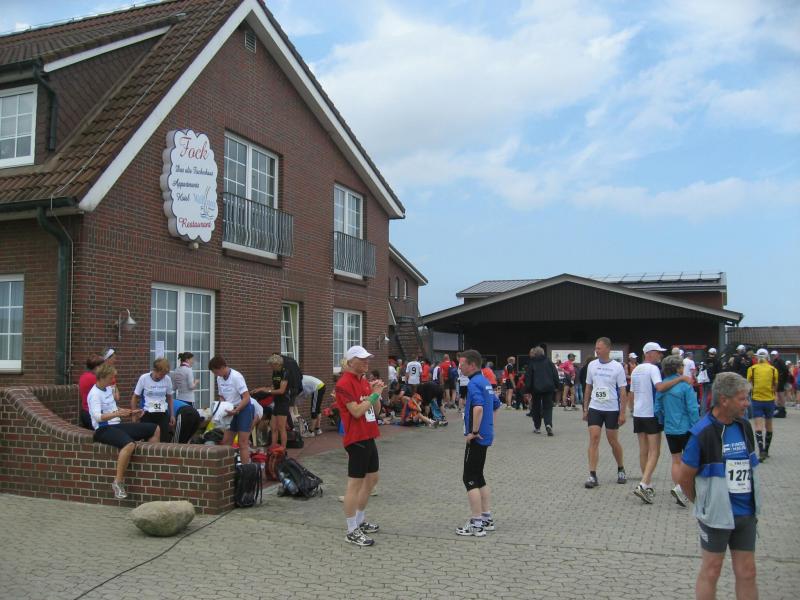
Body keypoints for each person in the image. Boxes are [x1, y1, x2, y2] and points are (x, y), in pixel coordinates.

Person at [678, 372, 761, 600]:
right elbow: (684, 477)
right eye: (742, 399)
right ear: (724, 400)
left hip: (746, 514)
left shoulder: (744, 426)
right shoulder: (702, 433)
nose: (747, 403)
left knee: (748, 571)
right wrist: (702, 502)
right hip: (716, 516)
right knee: (712, 570)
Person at [629, 342, 692, 503]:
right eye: (658, 352)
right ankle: (643, 484)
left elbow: (631, 393)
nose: (660, 355)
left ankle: (648, 485)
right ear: (649, 353)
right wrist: (681, 378)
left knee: (643, 451)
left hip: (638, 413)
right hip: (651, 414)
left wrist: (631, 409)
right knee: (654, 452)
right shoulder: (653, 369)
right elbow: (660, 387)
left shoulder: (636, 369)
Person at [335, 345, 385, 546]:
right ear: (350, 362)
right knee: (354, 485)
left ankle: (360, 520)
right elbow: (356, 411)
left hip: (369, 435)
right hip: (356, 439)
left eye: (367, 359)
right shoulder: (343, 383)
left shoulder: (363, 381)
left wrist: (376, 394)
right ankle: (351, 530)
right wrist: (373, 395)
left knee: (372, 479)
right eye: (362, 359)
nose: (366, 362)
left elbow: (376, 411)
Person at [88, 363, 158, 499]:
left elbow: (114, 408)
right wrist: (118, 414)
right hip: (103, 428)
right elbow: (98, 417)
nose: (112, 380)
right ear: (102, 377)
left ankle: (152, 470)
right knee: (129, 444)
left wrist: (130, 412)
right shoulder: (94, 394)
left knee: (154, 428)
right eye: (110, 378)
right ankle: (118, 482)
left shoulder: (107, 389)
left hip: (116, 425)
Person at [456, 349, 501, 537]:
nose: (459, 367)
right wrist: (489, 427)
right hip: (486, 435)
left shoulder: (474, 383)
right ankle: (486, 517)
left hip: (477, 438)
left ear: (472, 365)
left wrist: (474, 432)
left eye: (462, 364)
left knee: (469, 478)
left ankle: (476, 523)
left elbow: (478, 408)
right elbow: (496, 405)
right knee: (479, 476)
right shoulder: (485, 382)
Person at [583, 337, 629, 488]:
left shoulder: (617, 367)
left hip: (611, 409)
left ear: (608, 349)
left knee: (612, 441)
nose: (596, 350)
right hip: (595, 407)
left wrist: (622, 413)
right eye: (596, 348)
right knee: (594, 438)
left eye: (599, 348)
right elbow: (588, 387)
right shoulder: (592, 365)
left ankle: (621, 468)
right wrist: (585, 408)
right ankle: (592, 475)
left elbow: (623, 391)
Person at [654, 354, 699, 507]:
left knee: (676, 460)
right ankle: (685, 489)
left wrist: (663, 420)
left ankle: (678, 487)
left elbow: (657, 408)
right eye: (682, 366)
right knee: (689, 460)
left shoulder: (662, 386)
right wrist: (697, 426)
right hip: (686, 427)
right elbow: (692, 408)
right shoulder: (685, 386)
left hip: (670, 428)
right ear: (678, 368)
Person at [209, 356, 254, 464]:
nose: (216, 374)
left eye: (216, 372)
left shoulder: (236, 377)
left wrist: (237, 410)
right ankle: (226, 468)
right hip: (230, 410)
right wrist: (223, 408)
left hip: (243, 409)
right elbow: (221, 396)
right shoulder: (219, 378)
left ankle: (245, 469)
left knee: (242, 443)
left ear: (222, 367)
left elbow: (246, 397)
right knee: (226, 441)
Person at [131, 358, 175, 443]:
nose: (163, 377)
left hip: (162, 413)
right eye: (161, 374)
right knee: (149, 441)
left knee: (163, 440)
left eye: (164, 374)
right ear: (154, 370)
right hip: (147, 413)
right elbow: (135, 397)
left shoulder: (167, 379)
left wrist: (172, 415)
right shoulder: (144, 378)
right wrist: (134, 414)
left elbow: (169, 397)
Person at [252, 354, 290, 449]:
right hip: (276, 402)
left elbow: (281, 391)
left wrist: (267, 391)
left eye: (272, 365)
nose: (271, 367)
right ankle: (273, 445)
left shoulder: (285, 372)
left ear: (277, 364)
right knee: (273, 426)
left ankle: (283, 447)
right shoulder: (275, 372)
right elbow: (273, 387)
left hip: (283, 402)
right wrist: (261, 389)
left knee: (281, 427)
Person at [747, 348, 778, 461]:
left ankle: (760, 451)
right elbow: (775, 385)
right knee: (769, 425)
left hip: (756, 399)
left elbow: (749, 384)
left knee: (758, 426)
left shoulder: (752, 369)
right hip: (770, 400)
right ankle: (766, 450)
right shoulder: (773, 369)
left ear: (757, 357)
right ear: (767, 357)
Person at [523, 346, 559, 436]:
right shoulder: (549, 361)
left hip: (536, 389)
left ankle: (537, 427)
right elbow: (555, 374)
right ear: (543, 353)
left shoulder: (532, 363)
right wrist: (557, 385)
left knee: (536, 407)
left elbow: (528, 377)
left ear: (535, 354)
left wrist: (527, 389)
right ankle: (548, 424)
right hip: (548, 387)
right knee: (548, 407)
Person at [171, 352, 202, 443]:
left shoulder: (176, 370)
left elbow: (174, 387)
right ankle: (187, 442)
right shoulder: (188, 370)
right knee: (191, 422)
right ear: (187, 360)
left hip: (180, 400)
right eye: (192, 359)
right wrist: (196, 382)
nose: (193, 361)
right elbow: (191, 386)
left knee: (181, 423)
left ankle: (177, 440)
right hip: (189, 400)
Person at [78, 355, 104, 430]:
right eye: (102, 366)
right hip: (93, 413)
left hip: (85, 411)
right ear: (97, 367)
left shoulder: (83, 376)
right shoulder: (94, 378)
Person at [702, 348, 722, 416]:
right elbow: (720, 372)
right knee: (714, 397)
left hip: (705, 381)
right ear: (715, 353)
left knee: (704, 397)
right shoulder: (717, 361)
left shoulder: (705, 361)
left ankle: (703, 413)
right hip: (713, 380)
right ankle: (712, 413)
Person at [770, 350, 789, 417]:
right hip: (775, 380)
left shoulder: (780, 361)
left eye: (774, 355)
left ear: (777, 355)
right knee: (776, 394)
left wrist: (784, 379)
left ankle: (782, 408)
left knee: (780, 394)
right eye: (772, 355)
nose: (773, 356)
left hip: (780, 381)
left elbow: (786, 371)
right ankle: (778, 408)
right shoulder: (772, 362)